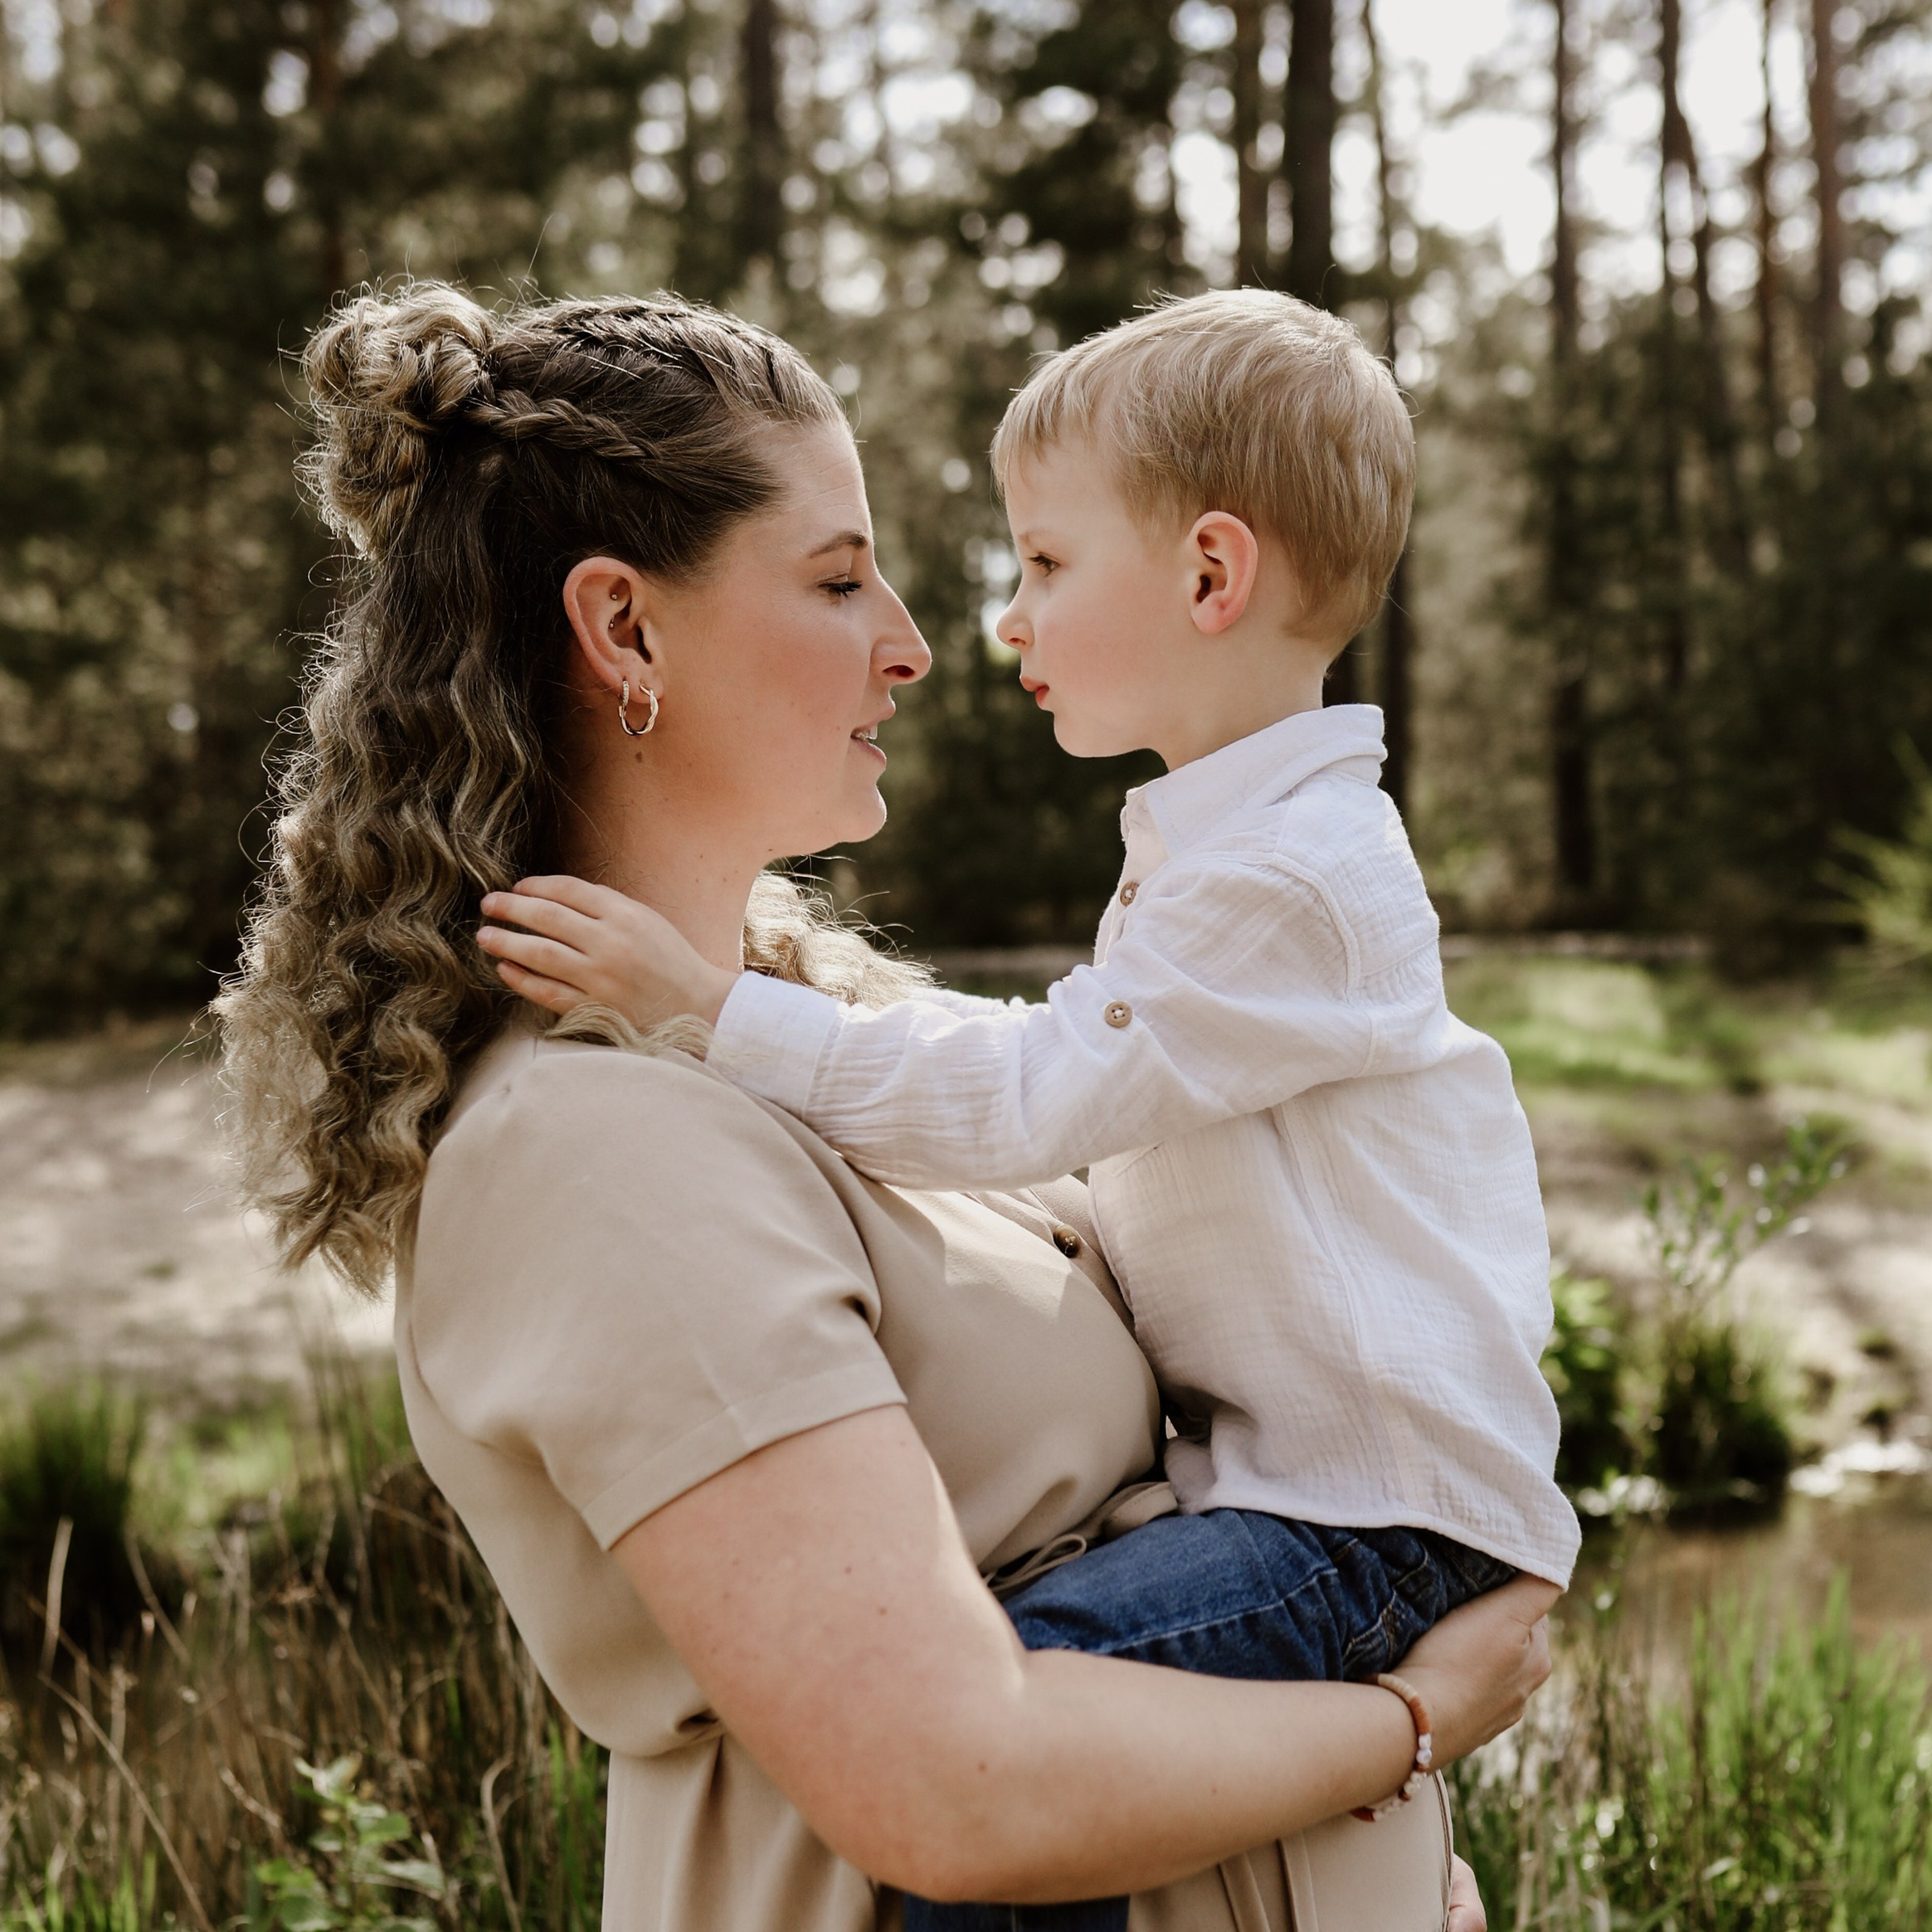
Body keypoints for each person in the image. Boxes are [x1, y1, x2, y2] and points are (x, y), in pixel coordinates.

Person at [218, 280, 1556, 1932]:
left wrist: (1395, 1858)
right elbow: (952, 1781)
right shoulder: (595, 1145)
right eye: (841, 578)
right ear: (626, 631)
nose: (923, 640)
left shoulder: (838, 1034)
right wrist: (1415, 1725)